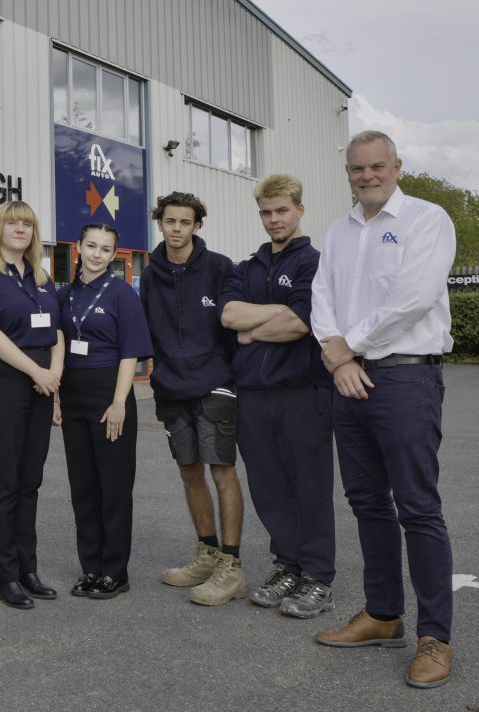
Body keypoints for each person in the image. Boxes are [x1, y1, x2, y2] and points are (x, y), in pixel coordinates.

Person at [311, 130, 455, 688]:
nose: (366, 176)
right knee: (367, 502)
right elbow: (321, 298)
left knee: (417, 508)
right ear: (346, 172)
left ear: (397, 166)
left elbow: (414, 297)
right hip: (348, 376)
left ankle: (435, 637)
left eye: (376, 167)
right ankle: (382, 614)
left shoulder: (426, 219)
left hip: (404, 378)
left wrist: (352, 345)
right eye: (356, 169)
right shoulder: (339, 229)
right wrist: (337, 353)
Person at [220, 175, 335, 618]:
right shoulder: (246, 268)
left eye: (281, 211)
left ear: (299, 210)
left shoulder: (314, 264)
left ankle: (318, 576)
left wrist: (253, 331)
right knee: (268, 488)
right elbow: (229, 314)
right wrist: (263, 321)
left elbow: (301, 323)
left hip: (303, 393)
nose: (274, 220)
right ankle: (288, 564)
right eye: (266, 212)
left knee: (310, 487)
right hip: (253, 396)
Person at [139, 191, 245, 606]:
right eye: (170, 222)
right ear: (160, 223)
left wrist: (229, 376)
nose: (177, 229)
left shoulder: (219, 267)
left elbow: (234, 326)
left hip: (215, 384)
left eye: (185, 222)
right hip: (171, 387)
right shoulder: (151, 273)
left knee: (222, 471)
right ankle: (207, 553)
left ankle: (231, 567)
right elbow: (146, 327)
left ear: (197, 225)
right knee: (189, 471)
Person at [0, 200, 65, 610]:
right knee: (5, 481)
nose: (20, 229)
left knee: (30, 480)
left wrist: (53, 378)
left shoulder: (41, 276)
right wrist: (36, 373)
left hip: (41, 385)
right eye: (12, 222)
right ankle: (6, 576)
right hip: (3, 381)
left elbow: (56, 330)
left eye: (27, 224)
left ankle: (28, 569)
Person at [55, 224, 153, 599]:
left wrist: (118, 403)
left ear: (114, 255)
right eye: (91, 246)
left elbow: (130, 352)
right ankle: (90, 568)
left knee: (113, 488)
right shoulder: (66, 295)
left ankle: (115, 571)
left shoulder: (122, 294)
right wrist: (58, 398)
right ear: (78, 247)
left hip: (109, 393)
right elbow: (59, 347)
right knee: (83, 488)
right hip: (74, 395)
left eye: (105, 249)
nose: (96, 254)